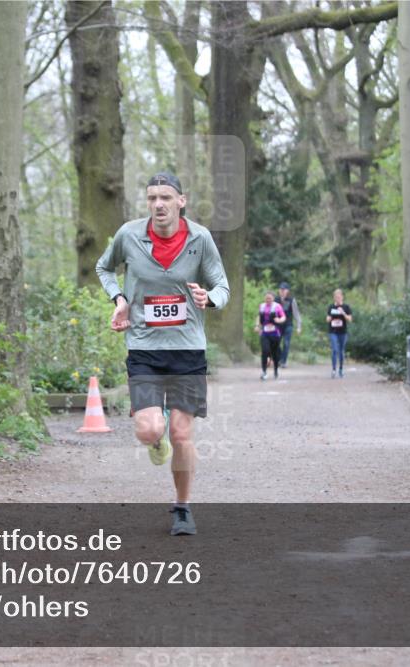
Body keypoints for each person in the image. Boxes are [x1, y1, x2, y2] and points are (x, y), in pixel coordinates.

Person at [95, 171, 230, 536]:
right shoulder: (129, 235)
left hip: (187, 350)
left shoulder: (200, 239)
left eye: (166, 198)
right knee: (150, 428)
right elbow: (104, 268)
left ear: (181, 202)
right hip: (143, 347)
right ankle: (157, 441)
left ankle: (183, 508)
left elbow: (222, 284)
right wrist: (120, 299)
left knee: (182, 434)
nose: (158, 204)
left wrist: (210, 298)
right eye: (152, 197)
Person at [254, 291, 286, 380]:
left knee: (275, 353)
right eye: (266, 298)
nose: (268, 300)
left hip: (275, 333)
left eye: (270, 298)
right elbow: (259, 317)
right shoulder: (262, 306)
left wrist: (279, 320)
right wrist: (257, 326)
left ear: (273, 298)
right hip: (265, 332)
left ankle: (276, 369)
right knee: (265, 351)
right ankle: (264, 371)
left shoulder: (277, 306)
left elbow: (283, 317)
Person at [326, 288, 352, 378]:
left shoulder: (346, 307)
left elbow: (350, 319)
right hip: (333, 331)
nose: (337, 298)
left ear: (342, 297)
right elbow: (327, 319)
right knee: (334, 349)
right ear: (334, 298)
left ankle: (340, 369)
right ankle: (333, 370)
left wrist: (343, 313)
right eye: (335, 297)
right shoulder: (331, 307)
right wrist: (331, 317)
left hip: (342, 332)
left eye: (339, 297)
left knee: (341, 351)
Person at [275, 282, 302, 368]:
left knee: (286, 343)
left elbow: (296, 313)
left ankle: (283, 361)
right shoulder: (276, 300)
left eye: (284, 290)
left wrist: (299, 326)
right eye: (281, 289)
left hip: (288, 325)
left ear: (287, 291)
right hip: (278, 325)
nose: (282, 291)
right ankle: (279, 359)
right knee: (276, 343)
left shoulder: (291, 300)